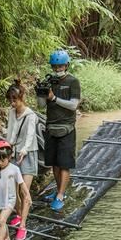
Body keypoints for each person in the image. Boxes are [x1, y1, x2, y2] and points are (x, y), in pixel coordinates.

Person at [39, 49, 81, 212]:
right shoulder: (48, 81)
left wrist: (54, 98)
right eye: (55, 66)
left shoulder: (73, 82)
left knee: (64, 164)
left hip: (67, 128)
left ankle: (61, 196)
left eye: (60, 66)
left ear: (67, 65)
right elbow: (41, 106)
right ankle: (58, 191)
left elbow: (73, 105)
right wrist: (41, 93)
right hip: (51, 127)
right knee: (54, 164)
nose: (57, 69)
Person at [5, 80, 38, 229]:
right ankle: (18, 215)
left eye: (15, 100)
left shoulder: (31, 115)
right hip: (15, 153)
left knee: (25, 189)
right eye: (10, 100)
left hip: (28, 153)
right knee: (14, 188)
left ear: (22, 97)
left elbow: (30, 135)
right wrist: (8, 148)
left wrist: (24, 150)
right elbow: (11, 132)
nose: (12, 103)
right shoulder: (12, 113)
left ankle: (23, 225)